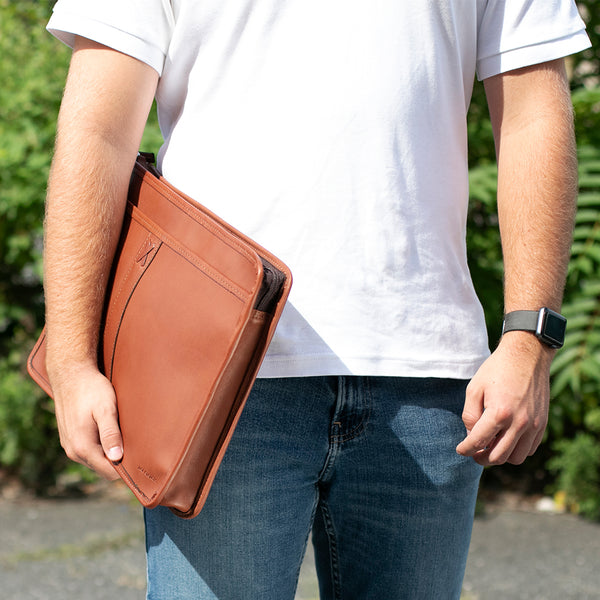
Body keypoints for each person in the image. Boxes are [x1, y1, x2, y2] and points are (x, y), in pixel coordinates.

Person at [41, 1, 590, 598]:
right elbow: (97, 134)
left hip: (426, 377)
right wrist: (71, 358)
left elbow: (534, 117)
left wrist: (530, 336)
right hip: (217, 375)